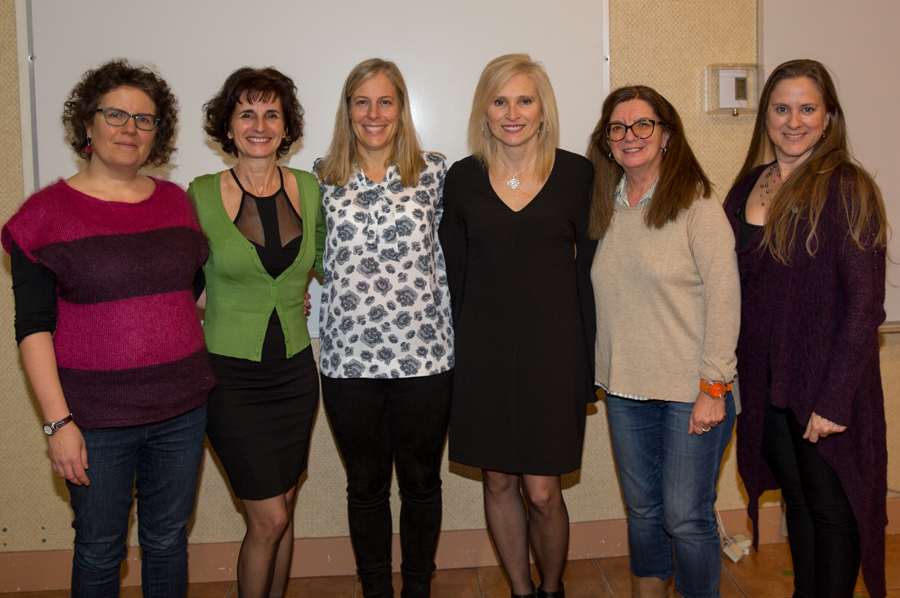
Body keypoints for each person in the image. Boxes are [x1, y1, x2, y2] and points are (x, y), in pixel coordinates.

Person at [1, 59, 215, 598]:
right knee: (99, 550)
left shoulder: (177, 203)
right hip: (94, 422)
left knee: (168, 540)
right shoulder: (45, 215)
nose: (130, 129)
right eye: (115, 114)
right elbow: (33, 327)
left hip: (182, 413)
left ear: (157, 134)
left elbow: (189, 291)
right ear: (88, 124)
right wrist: (58, 424)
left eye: (144, 120)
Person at [724, 59, 888, 598]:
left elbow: (865, 307)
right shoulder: (749, 185)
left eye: (807, 109)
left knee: (832, 510)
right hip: (766, 385)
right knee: (796, 499)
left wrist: (834, 400)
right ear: (766, 117)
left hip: (823, 387)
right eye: (781, 109)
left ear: (828, 118)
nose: (793, 121)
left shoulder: (848, 187)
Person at [439, 54, 596, 598]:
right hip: (482, 354)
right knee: (498, 480)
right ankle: (521, 591)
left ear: (543, 110)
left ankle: (551, 589)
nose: (512, 113)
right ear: (484, 111)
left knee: (544, 490)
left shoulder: (578, 175)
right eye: (500, 101)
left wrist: (589, 365)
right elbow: (452, 278)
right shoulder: (461, 179)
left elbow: (591, 275)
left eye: (525, 100)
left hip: (555, 354)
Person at [585, 86, 740, 598]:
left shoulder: (696, 204)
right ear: (607, 141)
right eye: (618, 127)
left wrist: (714, 387)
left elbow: (724, 296)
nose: (630, 136)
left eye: (643, 125)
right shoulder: (602, 206)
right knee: (644, 512)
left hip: (690, 392)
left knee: (686, 517)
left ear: (667, 135)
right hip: (625, 389)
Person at [315, 58, 453, 598]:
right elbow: (307, 254)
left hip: (425, 358)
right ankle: (375, 588)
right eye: (362, 102)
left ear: (401, 108)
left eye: (385, 101)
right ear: (348, 110)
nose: (374, 114)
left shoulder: (435, 172)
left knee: (421, 483)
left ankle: (417, 587)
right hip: (349, 362)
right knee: (366, 486)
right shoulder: (321, 177)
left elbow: (459, 251)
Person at [187, 67, 323, 598]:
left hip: (294, 373)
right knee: (269, 518)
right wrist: (229, 302)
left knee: (284, 507)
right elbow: (184, 284)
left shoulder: (309, 189)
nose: (259, 125)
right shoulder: (200, 195)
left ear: (286, 125)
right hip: (231, 378)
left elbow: (327, 261)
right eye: (246, 114)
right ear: (228, 126)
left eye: (271, 114)